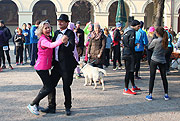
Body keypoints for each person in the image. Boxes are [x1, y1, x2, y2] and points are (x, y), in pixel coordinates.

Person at [27, 21, 68, 115]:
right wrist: (61, 40)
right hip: (41, 67)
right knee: (49, 87)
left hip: (45, 67)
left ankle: (37, 104)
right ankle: (32, 104)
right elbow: (51, 45)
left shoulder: (47, 38)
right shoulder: (43, 40)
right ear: (41, 30)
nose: (48, 29)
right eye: (45, 28)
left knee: (47, 87)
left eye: (49, 27)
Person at [41, 14, 78, 116]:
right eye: (59, 21)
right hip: (56, 65)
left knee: (66, 86)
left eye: (62, 21)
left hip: (67, 66)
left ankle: (67, 106)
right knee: (51, 86)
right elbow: (50, 45)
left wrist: (66, 43)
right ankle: (51, 106)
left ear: (67, 23)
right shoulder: (56, 33)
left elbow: (71, 47)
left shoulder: (70, 33)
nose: (60, 23)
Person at [146, 26, 169, 101]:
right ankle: (166, 94)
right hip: (162, 60)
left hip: (154, 59)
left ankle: (150, 94)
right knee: (164, 77)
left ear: (157, 33)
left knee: (152, 77)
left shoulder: (156, 41)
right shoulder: (165, 41)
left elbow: (149, 47)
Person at [122, 20, 141, 95]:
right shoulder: (132, 32)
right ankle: (126, 88)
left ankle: (133, 86)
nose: (139, 28)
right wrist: (135, 45)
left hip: (125, 52)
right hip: (130, 53)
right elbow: (130, 44)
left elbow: (124, 42)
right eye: (138, 26)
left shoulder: (126, 31)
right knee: (129, 71)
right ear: (135, 26)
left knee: (131, 70)